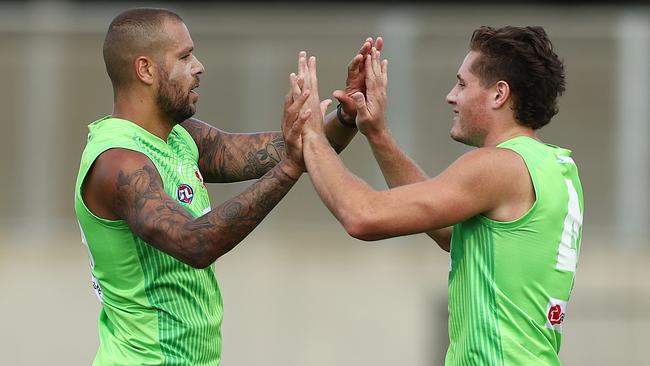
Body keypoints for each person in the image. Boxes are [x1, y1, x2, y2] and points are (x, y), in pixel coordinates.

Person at [74, 7, 378, 366]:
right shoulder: (118, 161)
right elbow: (194, 243)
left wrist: (347, 113)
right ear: (146, 69)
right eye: (185, 56)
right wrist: (290, 167)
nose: (198, 66)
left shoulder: (180, 137)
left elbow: (291, 149)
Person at [294, 27, 583, 365]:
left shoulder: (500, 166)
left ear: (499, 94)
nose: (451, 96)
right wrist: (377, 134)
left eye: (462, 84)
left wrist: (311, 134)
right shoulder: (556, 167)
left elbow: (362, 215)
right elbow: (450, 233)